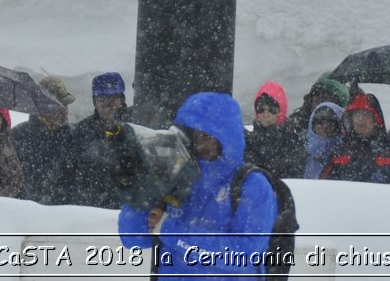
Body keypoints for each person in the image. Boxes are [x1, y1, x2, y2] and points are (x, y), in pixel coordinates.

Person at [117, 91, 277, 278]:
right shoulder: (174, 174)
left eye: (207, 136)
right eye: (193, 135)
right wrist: (138, 192)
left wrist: (168, 228)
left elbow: (244, 256)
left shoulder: (251, 184)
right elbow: (133, 238)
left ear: (226, 138)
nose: (199, 144)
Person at [67, 71, 131, 208]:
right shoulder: (81, 131)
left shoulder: (136, 126)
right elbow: (71, 172)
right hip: (92, 208)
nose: (108, 106)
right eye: (102, 100)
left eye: (113, 99)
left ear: (122, 100)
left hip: (131, 206)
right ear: (94, 102)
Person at [14, 76, 79, 204]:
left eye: (65, 105)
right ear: (40, 107)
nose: (63, 111)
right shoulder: (18, 135)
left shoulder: (75, 136)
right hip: (25, 213)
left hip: (66, 215)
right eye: (56, 105)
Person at [320, 93, 390, 184]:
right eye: (357, 114)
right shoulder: (339, 152)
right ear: (351, 119)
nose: (361, 119)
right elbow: (324, 187)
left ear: (376, 120)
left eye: (366, 113)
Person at [242, 80, 304, 180]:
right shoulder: (247, 141)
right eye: (261, 109)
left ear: (281, 111)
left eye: (272, 109)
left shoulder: (293, 142)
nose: (266, 114)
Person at [284, 74, 349, 134]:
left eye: (326, 98)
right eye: (317, 94)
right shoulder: (297, 124)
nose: (319, 100)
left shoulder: (349, 131)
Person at [303, 101, 345, 179]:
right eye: (320, 122)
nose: (325, 127)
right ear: (312, 124)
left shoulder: (342, 157)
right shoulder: (301, 154)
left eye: (331, 123)